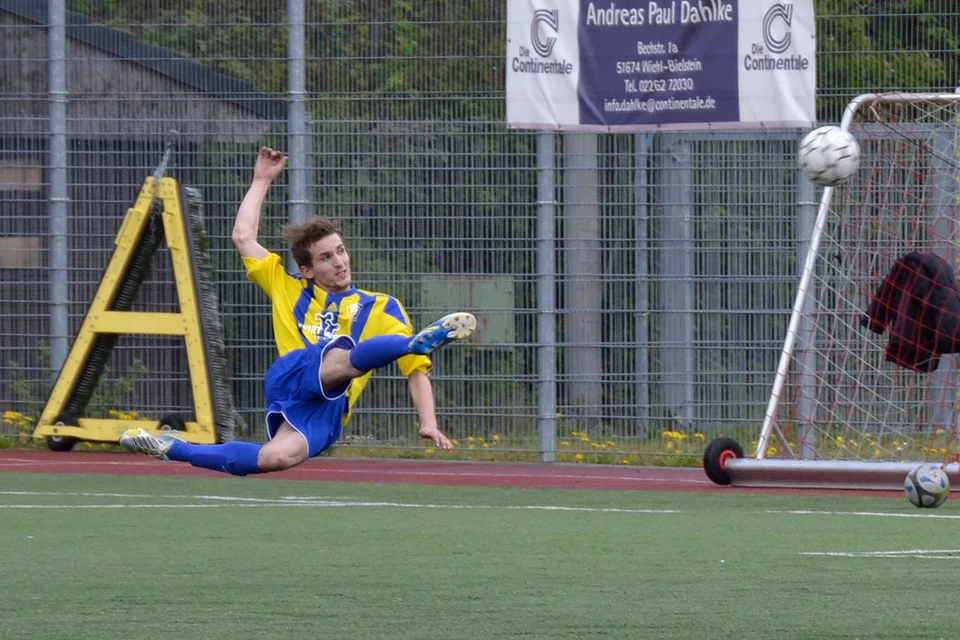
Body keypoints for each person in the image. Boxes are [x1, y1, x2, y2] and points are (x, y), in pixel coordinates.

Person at [119, 147, 476, 476]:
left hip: (328, 410)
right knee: (343, 355)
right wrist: (262, 180)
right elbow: (243, 236)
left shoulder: (383, 306)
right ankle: (411, 342)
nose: (339, 262)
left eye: (340, 251)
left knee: (274, 457)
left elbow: (416, 375)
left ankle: (172, 447)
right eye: (326, 257)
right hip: (293, 375)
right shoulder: (286, 285)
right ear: (307, 270)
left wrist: (427, 421)